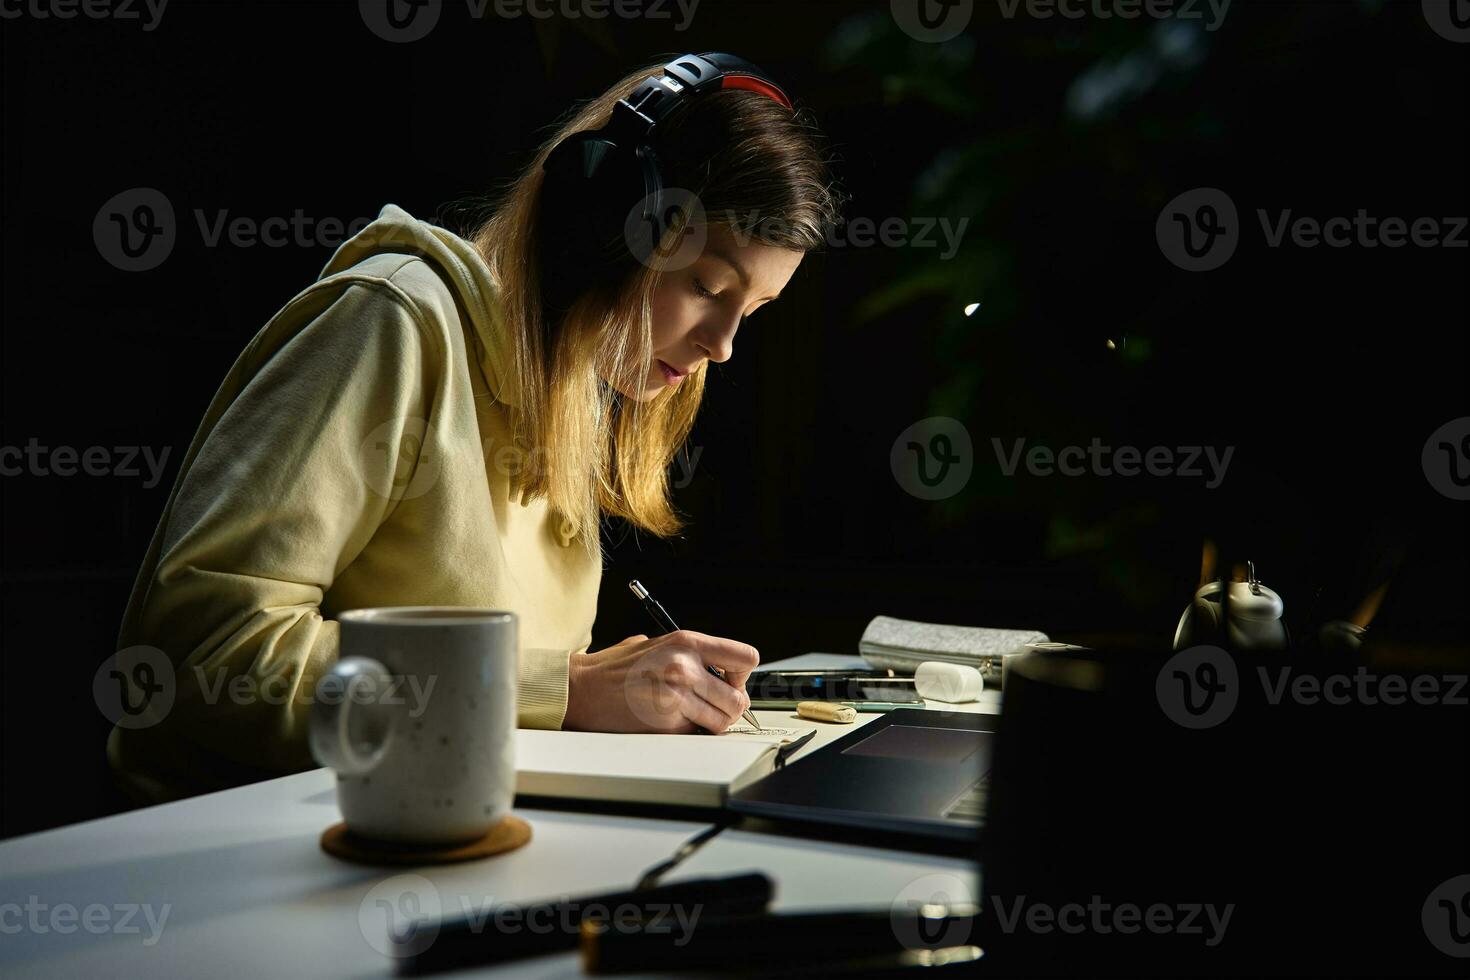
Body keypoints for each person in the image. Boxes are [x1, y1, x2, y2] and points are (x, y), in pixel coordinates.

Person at [107, 53, 843, 804]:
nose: (722, 346)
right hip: (246, 856)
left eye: (750, 312)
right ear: (600, 219)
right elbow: (205, 654)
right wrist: (565, 690)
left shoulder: (569, 391)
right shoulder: (391, 323)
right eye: (704, 287)